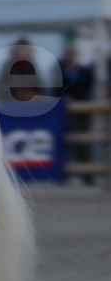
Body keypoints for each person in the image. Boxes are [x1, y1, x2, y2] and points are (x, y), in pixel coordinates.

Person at [56, 38, 96, 185]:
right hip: (62, 113)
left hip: (81, 113)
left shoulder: (84, 71)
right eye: (68, 54)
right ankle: (65, 177)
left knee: (83, 144)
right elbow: (56, 89)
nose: (70, 56)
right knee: (64, 143)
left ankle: (88, 177)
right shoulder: (59, 70)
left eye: (72, 54)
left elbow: (86, 89)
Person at [0, 37, 41, 103]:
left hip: (30, 105)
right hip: (10, 103)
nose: (22, 53)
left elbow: (40, 87)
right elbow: (0, 88)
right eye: (20, 50)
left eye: (25, 50)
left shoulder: (32, 66)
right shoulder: (7, 67)